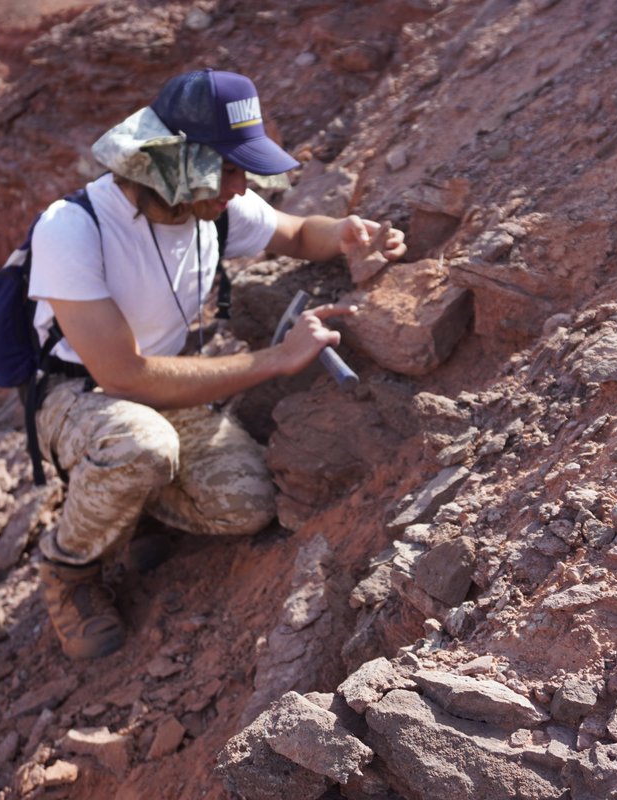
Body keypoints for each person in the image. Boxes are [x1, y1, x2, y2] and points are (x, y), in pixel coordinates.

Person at [27, 68, 406, 660]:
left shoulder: (215, 206)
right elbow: (121, 374)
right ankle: (67, 569)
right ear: (169, 158)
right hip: (81, 396)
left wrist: (349, 235)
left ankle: (134, 507)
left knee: (249, 505)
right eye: (229, 167)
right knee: (140, 447)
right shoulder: (74, 227)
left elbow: (301, 233)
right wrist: (275, 360)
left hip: (163, 386)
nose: (241, 184)